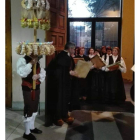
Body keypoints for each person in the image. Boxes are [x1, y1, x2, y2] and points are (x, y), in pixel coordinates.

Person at [45, 42, 77, 126]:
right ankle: (58, 117)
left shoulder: (66, 56)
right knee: (59, 100)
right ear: (70, 49)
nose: (74, 50)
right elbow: (59, 69)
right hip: (59, 84)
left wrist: (70, 71)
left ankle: (64, 115)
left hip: (65, 83)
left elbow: (67, 67)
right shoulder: (62, 56)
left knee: (65, 99)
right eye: (73, 49)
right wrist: (69, 72)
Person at [17, 54, 46, 140]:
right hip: (28, 88)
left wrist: (38, 76)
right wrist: (30, 63)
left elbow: (42, 72)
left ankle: (32, 127)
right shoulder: (22, 60)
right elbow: (22, 73)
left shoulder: (38, 60)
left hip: (36, 87)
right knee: (29, 108)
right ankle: (26, 132)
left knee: (34, 108)